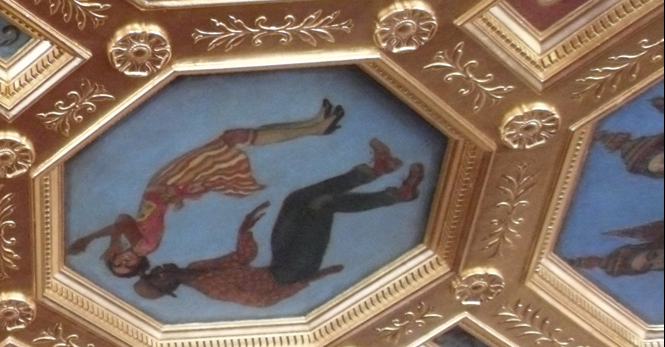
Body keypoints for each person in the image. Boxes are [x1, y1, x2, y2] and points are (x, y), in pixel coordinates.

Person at [68, 100, 344, 278]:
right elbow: (123, 222)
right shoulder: (145, 246)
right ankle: (314, 127)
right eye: (127, 266)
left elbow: (122, 223)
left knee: (232, 137)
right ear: (138, 265)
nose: (124, 261)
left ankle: (314, 124)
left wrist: (96, 239)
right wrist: (105, 241)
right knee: (232, 139)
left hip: (167, 183)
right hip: (175, 183)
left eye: (118, 262)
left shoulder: (135, 243)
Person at [134, 140, 424, 306]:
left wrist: (244, 228)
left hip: (278, 260)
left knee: (296, 200)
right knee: (320, 207)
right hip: (292, 271)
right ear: (167, 285)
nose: (158, 268)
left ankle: (375, 169)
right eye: (156, 276)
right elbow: (263, 302)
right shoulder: (212, 289)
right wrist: (308, 280)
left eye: (153, 271)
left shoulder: (197, 269)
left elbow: (242, 258)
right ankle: (398, 195)